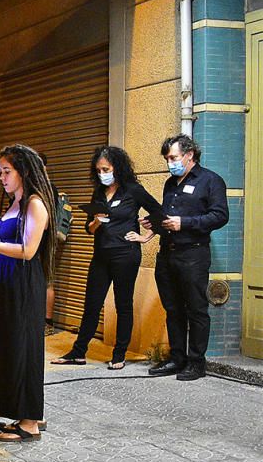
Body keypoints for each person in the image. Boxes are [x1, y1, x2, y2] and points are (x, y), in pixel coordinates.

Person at [52, 147, 162, 369]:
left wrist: (146, 237)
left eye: (106, 169)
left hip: (125, 255)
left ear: (117, 168)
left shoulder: (133, 190)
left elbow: (158, 212)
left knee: (123, 304)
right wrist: (96, 220)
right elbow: (89, 228)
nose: (102, 173)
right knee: (91, 304)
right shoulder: (99, 193)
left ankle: (119, 354)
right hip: (101, 255)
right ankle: (78, 352)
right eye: (98, 170)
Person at [0, 144, 56, 442]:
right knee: (12, 347)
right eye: (0, 172)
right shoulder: (14, 201)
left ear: (23, 172)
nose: (1, 177)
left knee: (24, 346)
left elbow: (28, 250)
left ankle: (29, 423)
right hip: (7, 280)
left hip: (24, 282)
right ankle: (25, 411)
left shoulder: (35, 204)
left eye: (7, 172)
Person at [146, 134, 228, 381]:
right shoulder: (171, 184)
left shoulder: (210, 181)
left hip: (193, 254)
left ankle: (196, 362)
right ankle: (177, 358)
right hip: (167, 254)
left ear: (189, 154)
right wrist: (154, 224)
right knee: (173, 309)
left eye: (173, 157)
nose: (170, 162)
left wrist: (185, 223)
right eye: (167, 158)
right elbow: (168, 218)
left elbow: (220, 216)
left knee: (196, 309)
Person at [38, 152, 72, 335]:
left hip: (46, 241)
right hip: (35, 241)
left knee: (47, 281)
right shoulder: (35, 187)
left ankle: (47, 323)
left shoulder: (49, 188)